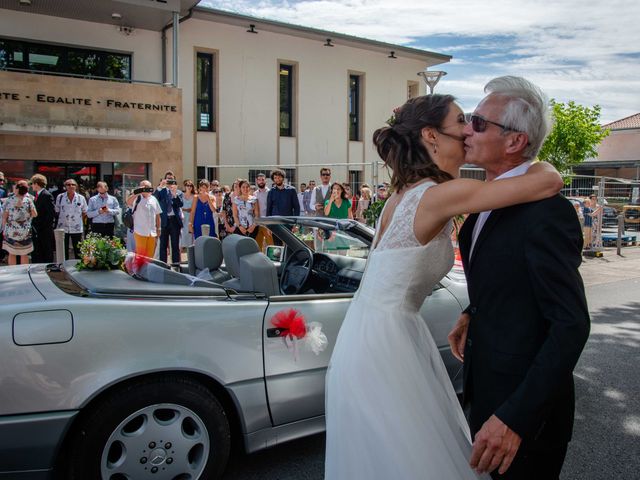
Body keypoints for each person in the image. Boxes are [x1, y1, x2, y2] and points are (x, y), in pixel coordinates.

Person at [325, 92, 565, 480]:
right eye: (461, 122)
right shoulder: (439, 196)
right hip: (387, 341)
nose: (469, 130)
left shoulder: (401, 194)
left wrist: (472, 310)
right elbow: (547, 182)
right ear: (431, 136)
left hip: (368, 333)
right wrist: (544, 163)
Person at [448, 76, 590, 479]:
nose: (466, 131)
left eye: (478, 122)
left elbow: (571, 323)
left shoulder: (547, 213)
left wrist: (514, 418)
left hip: (524, 418)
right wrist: (473, 311)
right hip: (485, 388)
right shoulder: (485, 201)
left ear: (514, 142)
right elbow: (508, 277)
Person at [2, 179, 37, 265]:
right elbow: (35, 214)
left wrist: (4, 228)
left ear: (17, 189)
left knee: (12, 253)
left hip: (11, 230)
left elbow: (4, 216)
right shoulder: (28, 200)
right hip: (25, 231)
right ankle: (23, 272)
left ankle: (13, 271)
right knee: (24, 253)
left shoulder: (9, 200)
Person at [154, 171, 184, 265]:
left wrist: (174, 193)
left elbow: (180, 204)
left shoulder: (178, 192)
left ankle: (176, 265)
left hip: (174, 221)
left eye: (171, 179)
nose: (169, 181)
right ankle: (163, 266)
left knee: (175, 245)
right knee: (163, 245)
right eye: (168, 179)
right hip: (164, 221)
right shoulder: (161, 191)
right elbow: (154, 199)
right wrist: (160, 187)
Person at [126, 180, 161, 258]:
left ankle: (148, 270)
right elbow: (128, 202)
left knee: (150, 256)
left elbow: (157, 215)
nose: (146, 189)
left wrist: (159, 228)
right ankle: (139, 270)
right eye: (144, 187)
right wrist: (138, 192)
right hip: (140, 232)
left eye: (148, 187)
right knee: (141, 256)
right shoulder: (137, 198)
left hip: (152, 232)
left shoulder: (153, 199)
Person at [55, 178, 88, 259]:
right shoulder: (60, 197)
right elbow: (57, 210)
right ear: (65, 186)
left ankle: (78, 267)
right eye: (68, 184)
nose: (71, 186)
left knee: (78, 249)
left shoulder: (81, 198)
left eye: (73, 184)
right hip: (63, 227)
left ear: (76, 186)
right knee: (63, 250)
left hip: (76, 227)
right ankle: (64, 266)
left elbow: (85, 212)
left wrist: (78, 219)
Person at [29, 174, 56, 263]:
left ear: (36, 184)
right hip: (38, 229)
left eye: (32, 183)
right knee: (38, 251)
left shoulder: (46, 195)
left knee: (46, 250)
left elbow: (50, 214)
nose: (31, 186)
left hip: (44, 230)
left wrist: (41, 226)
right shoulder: (37, 195)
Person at [181, 180, 196, 250]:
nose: (189, 187)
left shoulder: (195, 196)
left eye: (191, 186)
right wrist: (185, 210)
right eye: (187, 185)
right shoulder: (181, 195)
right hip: (183, 217)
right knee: (182, 236)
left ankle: (190, 257)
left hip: (191, 217)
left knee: (190, 237)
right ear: (185, 187)